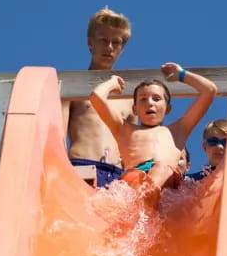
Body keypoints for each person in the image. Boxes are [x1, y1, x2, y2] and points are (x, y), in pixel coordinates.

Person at [89, 63, 217, 204]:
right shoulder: (124, 129)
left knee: (163, 168)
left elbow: (209, 90)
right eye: (143, 99)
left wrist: (182, 75)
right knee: (138, 176)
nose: (150, 103)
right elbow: (97, 97)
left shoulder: (178, 129)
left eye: (156, 99)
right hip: (136, 180)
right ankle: (146, 198)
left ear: (167, 108)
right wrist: (112, 82)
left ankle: (149, 195)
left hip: (167, 184)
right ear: (135, 109)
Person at [65, 8, 137, 187]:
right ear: (90, 42)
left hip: (117, 173)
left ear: (122, 48)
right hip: (82, 165)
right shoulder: (74, 87)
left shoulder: (128, 97)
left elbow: (133, 144)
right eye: (103, 40)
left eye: (116, 42)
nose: (109, 47)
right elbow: (58, 136)